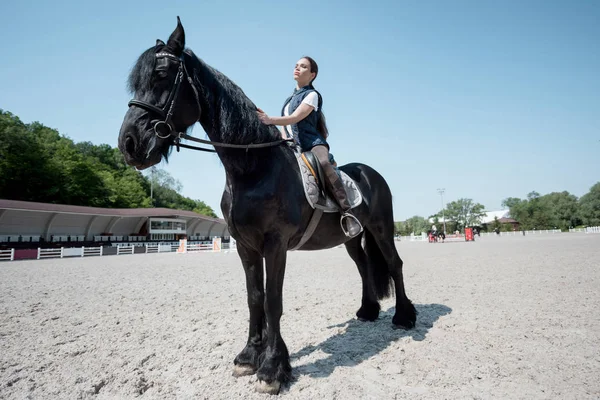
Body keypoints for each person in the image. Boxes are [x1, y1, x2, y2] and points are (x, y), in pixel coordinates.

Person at [257, 56, 362, 238]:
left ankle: (347, 212)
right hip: (293, 146)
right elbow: (286, 129)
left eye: (303, 67)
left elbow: (295, 118)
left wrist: (269, 120)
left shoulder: (312, 95)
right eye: (296, 65)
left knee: (323, 163)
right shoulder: (289, 100)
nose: (297, 68)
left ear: (312, 75)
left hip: (312, 144)